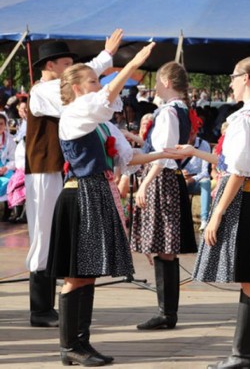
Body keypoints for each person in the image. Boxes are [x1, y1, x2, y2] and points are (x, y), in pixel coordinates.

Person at [46, 43, 174, 366]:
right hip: (80, 195)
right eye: (92, 81)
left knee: (87, 273)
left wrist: (165, 154)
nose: (99, 85)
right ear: (77, 89)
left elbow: (127, 159)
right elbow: (104, 99)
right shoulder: (75, 113)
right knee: (76, 274)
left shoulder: (98, 123)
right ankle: (69, 346)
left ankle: (81, 343)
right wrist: (131, 64)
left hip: (97, 193)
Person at [170, 56, 250, 368]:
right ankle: (249, 355)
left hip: (243, 201)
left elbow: (239, 171)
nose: (231, 82)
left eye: (233, 76)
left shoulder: (247, 117)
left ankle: (243, 356)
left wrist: (216, 213)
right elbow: (232, 163)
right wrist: (195, 152)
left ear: (246, 78)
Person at [25, 31, 122, 328]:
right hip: (44, 171)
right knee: (43, 234)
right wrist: (104, 59)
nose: (71, 70)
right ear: (51, 65)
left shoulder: (57, 87)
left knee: (57, 233)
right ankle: (40, 308)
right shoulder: (41, 91)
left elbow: (81, 85)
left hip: (62, 171)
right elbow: (78, 88)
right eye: (66, 64)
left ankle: (51, 303)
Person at [131, 61, 198, 330]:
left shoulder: (170, 112)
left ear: (167, 83)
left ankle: (166, 313)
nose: (156, 86)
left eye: (158, 81)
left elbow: (165, 155)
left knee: (165, 248)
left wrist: (145, 183)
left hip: (162, 180)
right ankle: (166, 312)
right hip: (166, 179)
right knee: (164, 248)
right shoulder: (178, 110)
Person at [182, 128, 212, 231]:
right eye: (188, 132)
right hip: (180, 178)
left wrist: (192, 179)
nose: (190, 135)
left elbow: (205, 172)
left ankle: (204, 219)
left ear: (196, 132)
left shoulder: (204, 145)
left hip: (196, 180)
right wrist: (180, 174)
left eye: (192, 132)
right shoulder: (178, 142)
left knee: (206, 181)